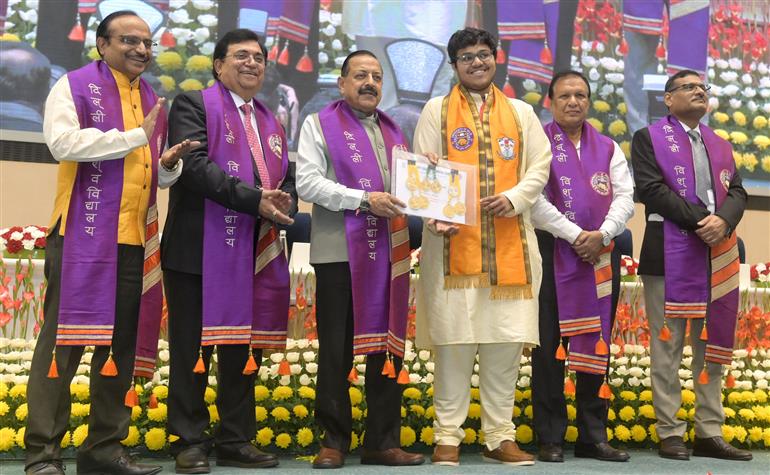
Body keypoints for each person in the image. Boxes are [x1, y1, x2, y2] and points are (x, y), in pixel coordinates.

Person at [23, 10, 197, 475]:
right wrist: (135, 137)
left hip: (132, 240)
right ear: (102, 44)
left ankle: (103, 450)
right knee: (62, 345)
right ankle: (42, 453)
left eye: (147, 43)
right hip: (80, 234)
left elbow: (148, 169)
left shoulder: (149, 96)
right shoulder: (73, 86)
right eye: (129, 41)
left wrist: (171, 164)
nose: (142, 49)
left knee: (118, 349)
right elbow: (61, 144)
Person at [413, 27, 551, 467]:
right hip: (452, 251)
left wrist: (513, 198)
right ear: (454, 65)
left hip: (512, 250)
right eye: (467, 57)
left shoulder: (522, 113)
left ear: (497, 58)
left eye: (484, 55)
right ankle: (447, 438)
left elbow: (539, 166)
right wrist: (435, 215)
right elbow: (424, 167)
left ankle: (499, 437)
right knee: (454, 344)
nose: (477, 62)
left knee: (504, 345)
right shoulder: (436, 111)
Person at [161, 29, 296, 473]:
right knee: (191, 348)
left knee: (241, 349)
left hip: (251, 253)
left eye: (259, 57)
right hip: (196, 248)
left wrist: (283, 199)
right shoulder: (193, 104)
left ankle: (236, 438)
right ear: (218, 65)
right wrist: (255, 199)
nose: (252, 63)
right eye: (241, 56)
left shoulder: (271, 122)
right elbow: (193, 169)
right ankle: (189, 439)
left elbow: (284, 177)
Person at [296, 50, 425, 469]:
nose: (369, 83)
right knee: (337, 349)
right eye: (359, 75)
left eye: (375, 76)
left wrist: (433, 182)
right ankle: (333, 440)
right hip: (338, 255)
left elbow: (411, 190)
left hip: (391, 253)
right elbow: (308, 183)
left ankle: (383, 441)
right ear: (342, 82)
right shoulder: (319, 123)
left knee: (388, 348)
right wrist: (363, 200)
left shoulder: (395, 131)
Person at [632, 69, 750, 462]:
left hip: (717, 253)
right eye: (689, 87)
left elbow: (737, 190)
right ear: (668, 99)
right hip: (667, 253)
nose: (699, 92)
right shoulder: (648, 138)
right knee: (667, 349)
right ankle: (669, 431)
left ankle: (709, 431)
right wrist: (704, 221)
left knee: (710, 346)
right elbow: (650, 189)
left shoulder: (720, 144)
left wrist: (724, 222)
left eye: (703, 88)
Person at [529, 70, 634, 463]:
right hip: (553, 255)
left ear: (588, 102)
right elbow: (534, 200)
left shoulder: (607, 147)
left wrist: (603, 234)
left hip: (600, 259)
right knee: (549, 351)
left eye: (581, 95)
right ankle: (550, 437)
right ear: (550, 101)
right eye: (565, 96)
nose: (573, 102)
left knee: (597, 344)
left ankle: (593, 436)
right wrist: (576, 236)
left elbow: (625, 196)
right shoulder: (537, 143)